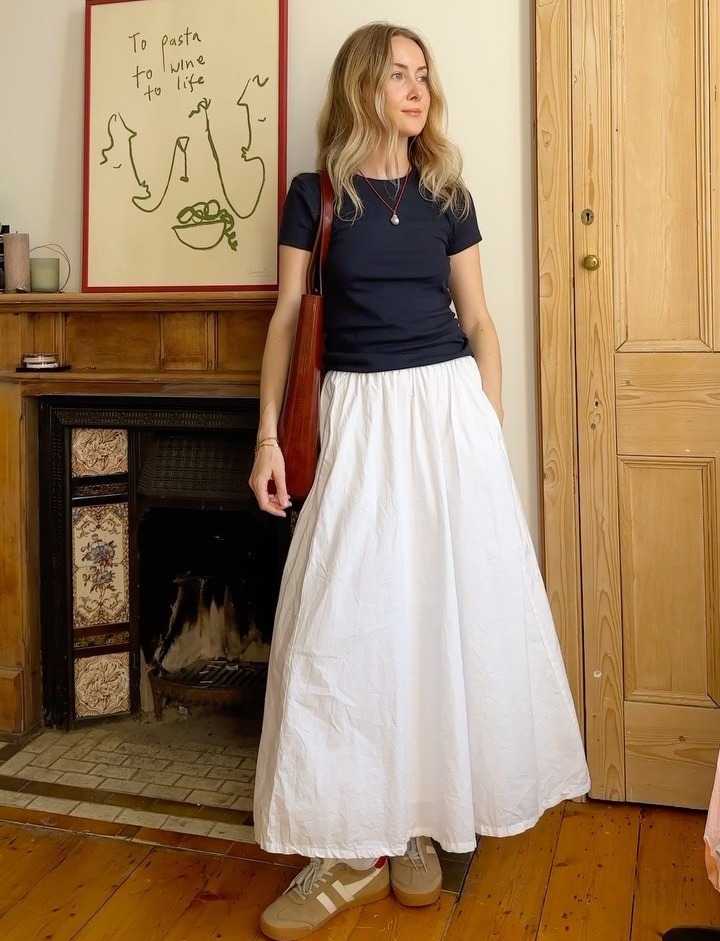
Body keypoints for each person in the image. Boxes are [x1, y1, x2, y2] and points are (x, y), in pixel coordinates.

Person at [249, 21, 590, 941]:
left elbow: (480, 321)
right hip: (356, 417)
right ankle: (348, 848)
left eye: (424, 76)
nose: (416, 89)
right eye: (398, 73)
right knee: (349, 628)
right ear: (362, 84)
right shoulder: (313, 197)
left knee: (443, 622)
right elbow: (286, 319)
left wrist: (484, 416)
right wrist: (267, 440)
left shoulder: (449, 195)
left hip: (448, 418)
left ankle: (415, 826)